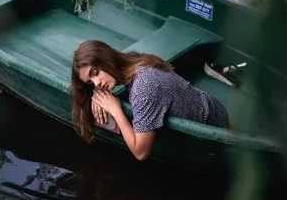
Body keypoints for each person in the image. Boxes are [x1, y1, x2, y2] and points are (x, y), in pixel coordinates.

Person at [68, 40, 231, 161]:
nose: (97, 83)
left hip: (211, 125)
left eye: (95, 72)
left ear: (106, 59)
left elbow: (141, 152)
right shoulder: (133, 62)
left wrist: (116, 110)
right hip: (211, 105)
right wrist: (96, 96)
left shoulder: (144, 86)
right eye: (90, 82)